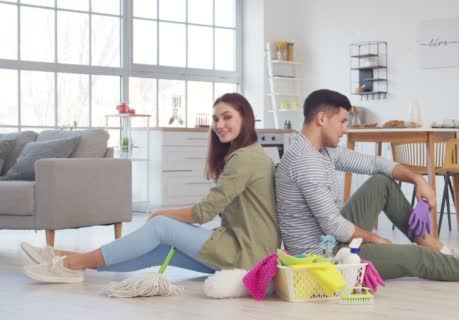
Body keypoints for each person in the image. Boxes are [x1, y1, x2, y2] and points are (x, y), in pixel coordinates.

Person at [275, 89, 459, 281]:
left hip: (332, 239)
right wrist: (377, 240)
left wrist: (419, 181)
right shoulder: (305, 162)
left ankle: (437, 248)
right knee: (414, 257)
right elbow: (335, 228)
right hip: (324, 261)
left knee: (381, 182)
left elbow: (376, 164)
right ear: (321, 119)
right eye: (342, 121)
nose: (346, 128)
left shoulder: (320, 150)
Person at [22, 93, 281, 283]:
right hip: (250, 254)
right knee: (160, 250)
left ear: (245, 118)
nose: (219, 125)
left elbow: (204, 212)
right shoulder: (250, 154)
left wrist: (162, 214)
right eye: (215, 119)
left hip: (246, 255)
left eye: (227, 117)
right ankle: (66, 259)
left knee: (160, 227)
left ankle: (68, 263)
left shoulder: (245, 158)